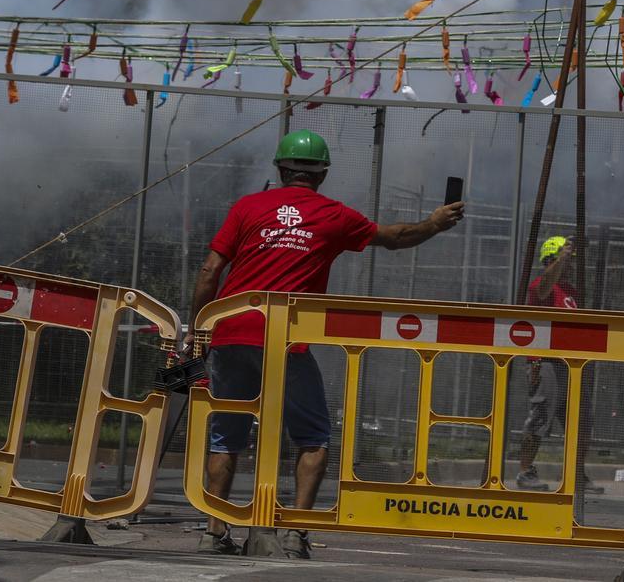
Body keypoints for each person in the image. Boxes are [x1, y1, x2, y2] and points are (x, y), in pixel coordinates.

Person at [188, 129, 464, 558]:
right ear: (322, 175)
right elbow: (394, 237)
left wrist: (198, 329)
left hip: (229, 335)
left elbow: (209, 271)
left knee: (226, 438)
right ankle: (295, 535)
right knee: (312, 437)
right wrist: (434, 223)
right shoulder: (334, 216)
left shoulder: (247, 208)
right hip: (287, 344)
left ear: (280, 170)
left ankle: (213, 531)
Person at [514, 236, 603, 494]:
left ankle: (576, 473)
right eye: (567, 261)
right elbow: (543, 291)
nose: (572, 267)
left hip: (571, 363)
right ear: (551, 260)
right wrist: (563, 257)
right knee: (541, 416)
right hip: (546, 361)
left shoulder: (571, 293)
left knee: (581, 419)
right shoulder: (541, 286)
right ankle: (525, 471)